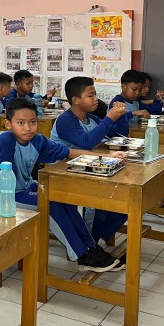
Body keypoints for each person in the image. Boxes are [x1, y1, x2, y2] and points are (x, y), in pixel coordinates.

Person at [0, 99, 124, 272]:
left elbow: (68, 152)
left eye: (32, 122)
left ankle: (91, 247)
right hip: (7, 196)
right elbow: (7, 178)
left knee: (64, 198)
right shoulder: (6, 139)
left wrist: (107, 157)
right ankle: (82, 256)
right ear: (8, 124)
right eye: (20, 123)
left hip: (27, 189)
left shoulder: (38, 140)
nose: (28, 128)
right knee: (51, 202)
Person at [50, 77, 129, 244]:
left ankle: (98, 235)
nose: (96, 99)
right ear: (76, 100)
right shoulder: (66, 120)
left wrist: (119, 116)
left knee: (123, 200)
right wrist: (109, 118)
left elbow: (113, 135)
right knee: (98, 200)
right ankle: (89, 243)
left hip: (88, 168)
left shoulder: (91, 118)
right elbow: (86, 141)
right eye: (91, 95)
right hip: (62, 172)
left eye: (95, 95)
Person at [109, 70, 150, 136]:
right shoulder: (117, 102)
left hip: (132, 134)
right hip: (117, 138)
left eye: (139, 90)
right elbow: (117, 120)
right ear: (123, 87)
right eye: (134, 89)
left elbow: (153, 111)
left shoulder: (136, 101)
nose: (137, 93)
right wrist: (133, 113)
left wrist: (157, 100)